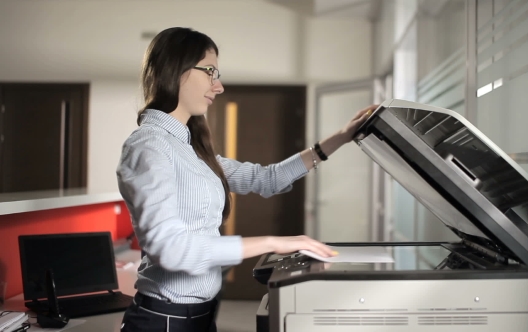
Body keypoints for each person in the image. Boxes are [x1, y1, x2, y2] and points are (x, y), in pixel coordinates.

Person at [116, 26, 378, 332]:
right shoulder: (149, 146)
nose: (219, 86)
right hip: (163, 321)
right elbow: (171, 249)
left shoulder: (192, 150)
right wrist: (272, 243)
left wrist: (342, 137)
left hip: (200, 316)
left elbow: (269, 179)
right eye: (210, 71)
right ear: (176, 70)